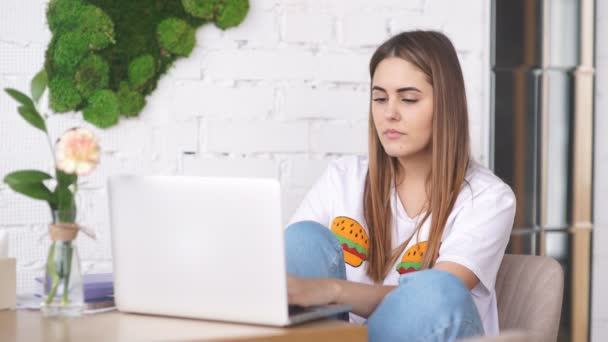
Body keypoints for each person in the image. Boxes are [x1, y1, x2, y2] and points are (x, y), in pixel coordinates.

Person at [284, 30, 516, 342]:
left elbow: (432, 307)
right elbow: (290, 275)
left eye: (408, 99)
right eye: (379, 98)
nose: (389, 113)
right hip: (341, 336)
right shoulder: (343, 177)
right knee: (303, 239)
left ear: (446, 106)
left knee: (435, 289)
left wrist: (332, 290)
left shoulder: (490, 198)